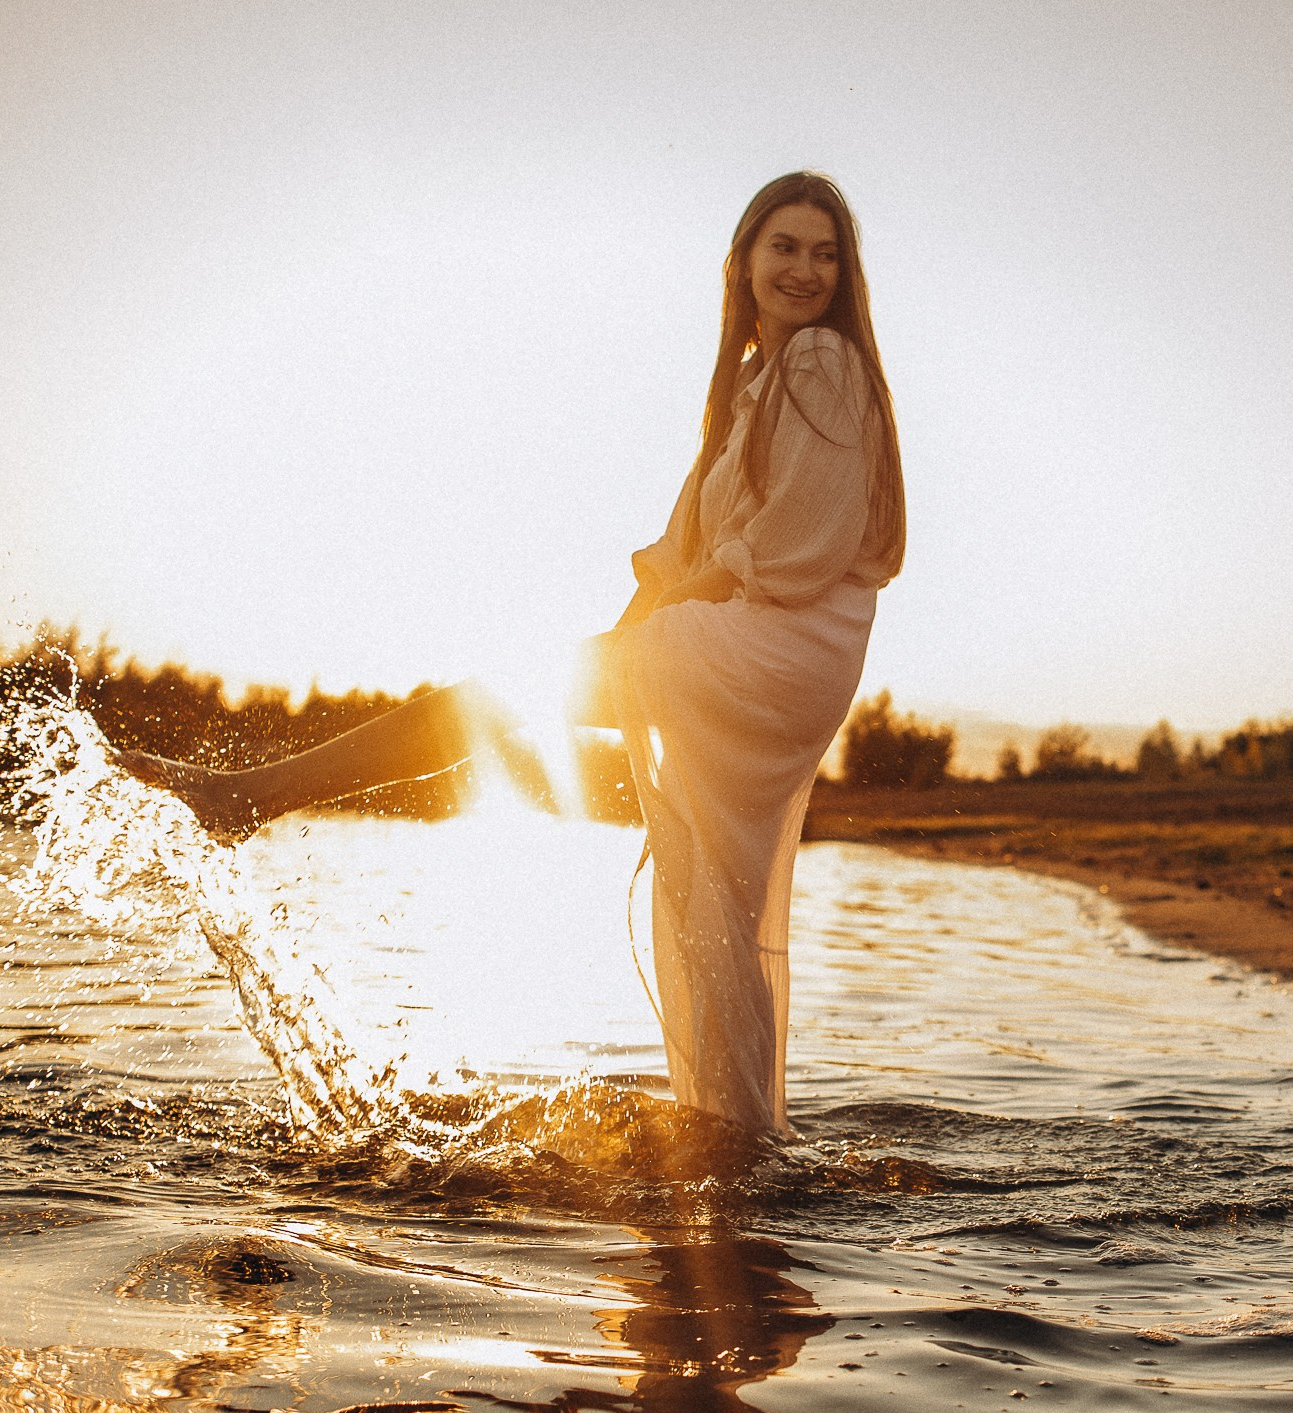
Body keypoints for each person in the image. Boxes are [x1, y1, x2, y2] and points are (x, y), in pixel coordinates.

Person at [116, 171, 903, 1142]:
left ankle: (250, 796)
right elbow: (677, 565)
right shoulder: (750, 389)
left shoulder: (820, 359)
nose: (805, 270)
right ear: (742, 260)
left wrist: (659, 621)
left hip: (772, 642)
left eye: (825, 254)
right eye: (784, 247)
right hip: (772, 645)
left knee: (489, 702)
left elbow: (796, 546)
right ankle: (745, 1142)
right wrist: (624, 641)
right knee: (716, 903)